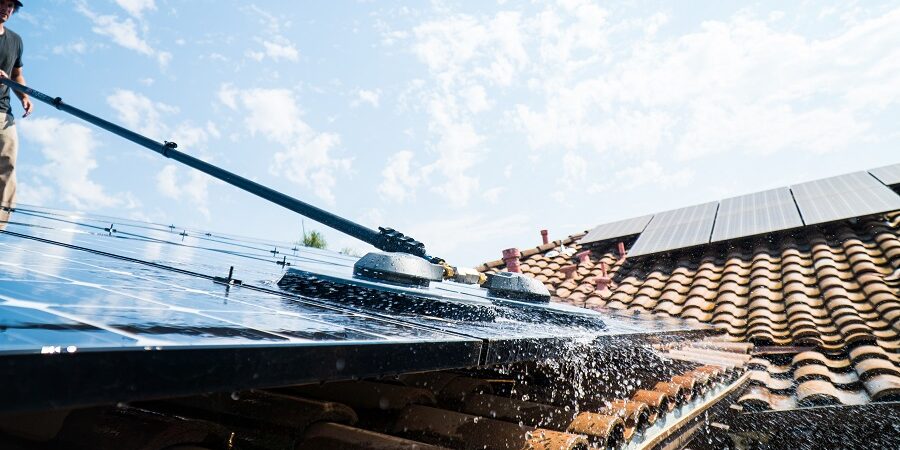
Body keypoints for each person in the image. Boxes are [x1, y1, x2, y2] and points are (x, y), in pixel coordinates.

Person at [0, 0, 31, 229]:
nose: (5, 9)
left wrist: (24, 96)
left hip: (3, 111)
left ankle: (0, 223)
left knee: (8, 164)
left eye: (9, 6)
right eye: (1, 3)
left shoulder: (16, 40)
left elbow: (17, 74)